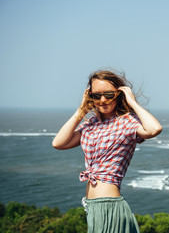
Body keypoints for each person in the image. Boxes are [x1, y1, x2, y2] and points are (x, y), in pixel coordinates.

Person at [52, 69, 162, 233]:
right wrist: (81, 110)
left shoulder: (126, 122)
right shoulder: (91, 124)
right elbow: (58, 143)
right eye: (96, 95)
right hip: (93, 207)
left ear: (119, 94)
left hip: (109, 206)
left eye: (109, 94)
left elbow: (154, 129)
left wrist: (132, 102)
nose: (103, 100)